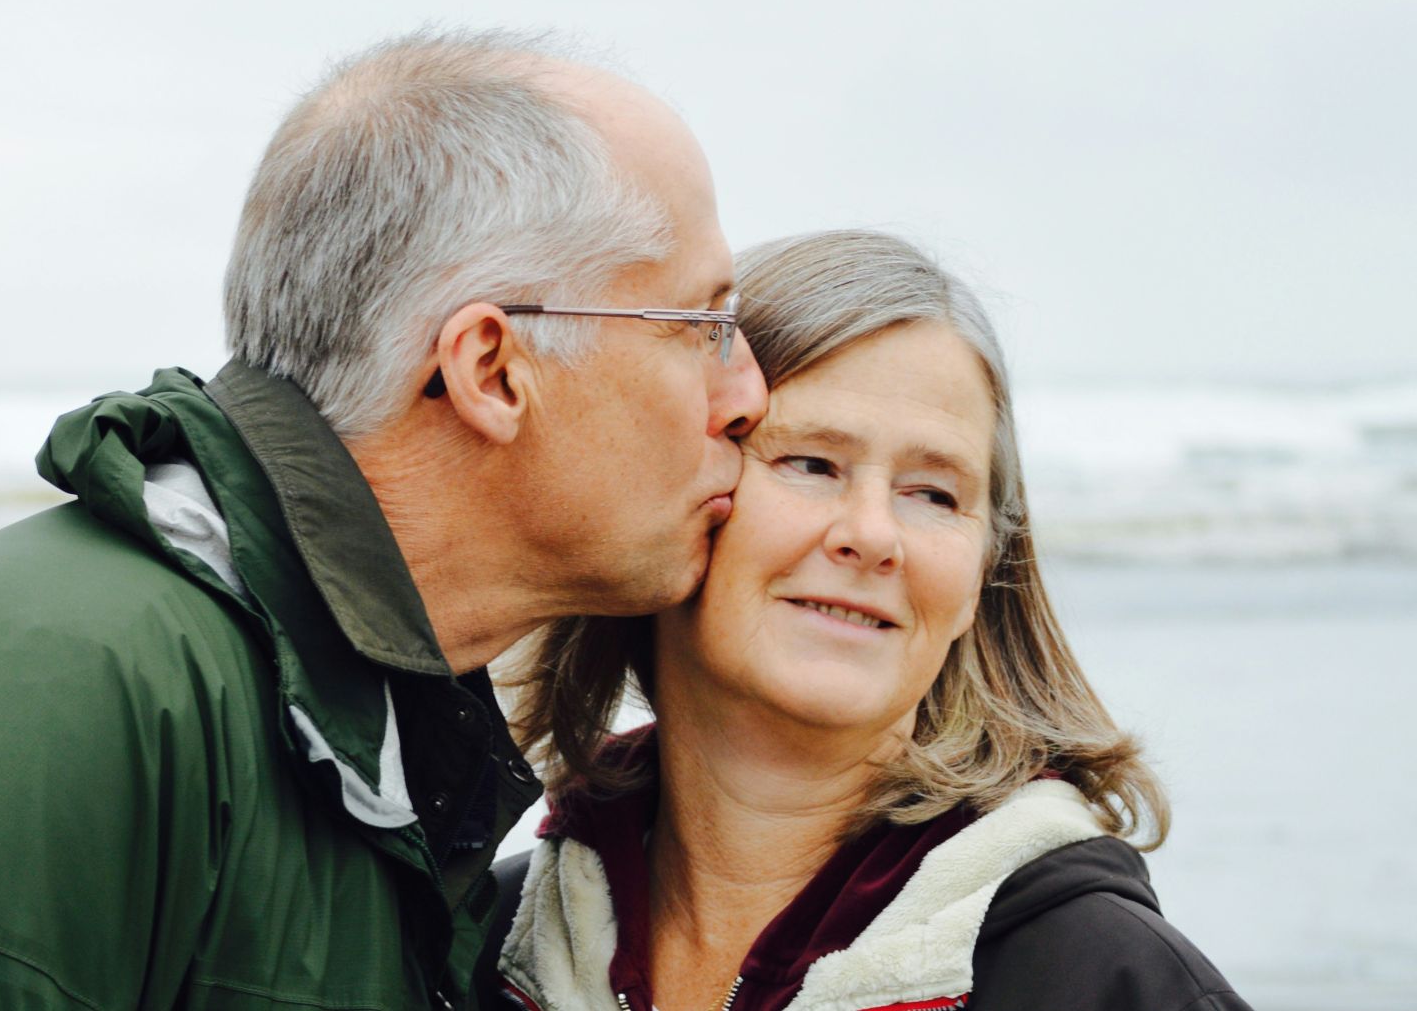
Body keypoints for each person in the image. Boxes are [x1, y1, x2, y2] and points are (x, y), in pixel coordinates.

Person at [0, 30, 767, 1010]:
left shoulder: (376, 721)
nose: (748, 394)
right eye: (701, 323)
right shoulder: (44, 687)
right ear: (490, 367)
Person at [493, 231, 1248, 1011]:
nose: (875, 535)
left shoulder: (1114, 983)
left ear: (984, 574)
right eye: (812, 464)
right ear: (676, 491)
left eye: (934, 494)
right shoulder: (487, 951)